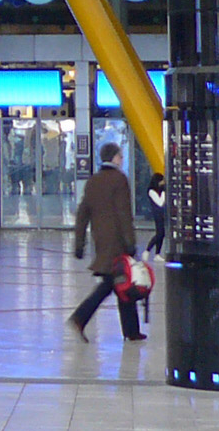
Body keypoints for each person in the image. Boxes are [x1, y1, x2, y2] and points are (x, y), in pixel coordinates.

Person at [69, 142, 145, 342]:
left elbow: (82, 213)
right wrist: (130, 242)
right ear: (113, 158)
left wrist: (79, 243)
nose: (122, 159)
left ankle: (131, 331)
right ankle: (80, 317)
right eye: (120, 156)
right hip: (117, 242)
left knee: (121, 284)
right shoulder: (119, 180)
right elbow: (123, 214)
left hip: (101, 242)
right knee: (113, 284)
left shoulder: (93, 181)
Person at [145, 173, 168, 254]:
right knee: (160, 233)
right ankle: (148, 250)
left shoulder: (160, 190)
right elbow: (160, 202)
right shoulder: (151, 191)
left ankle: (157, 253)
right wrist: (164, 192)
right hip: (157, 214)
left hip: (162, 214)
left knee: (162, 233)